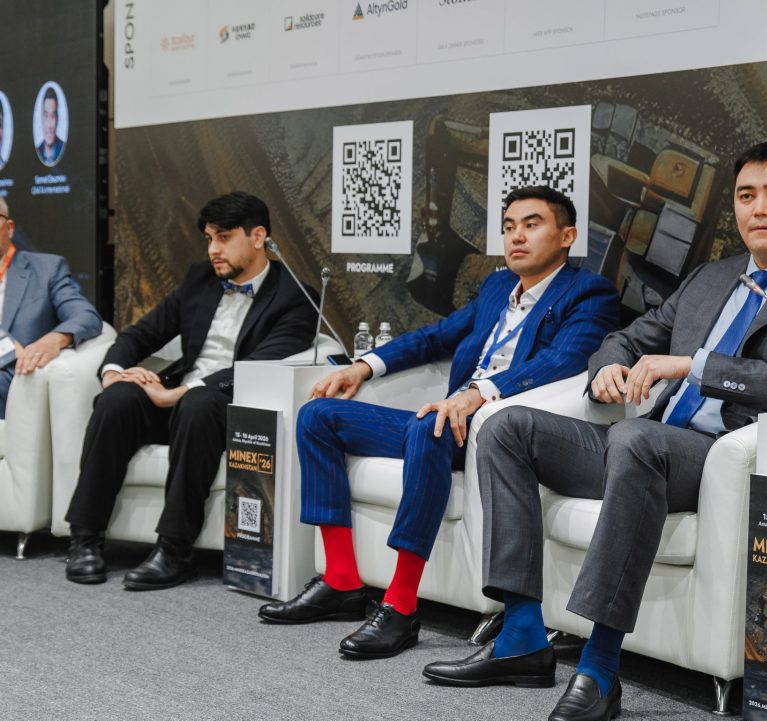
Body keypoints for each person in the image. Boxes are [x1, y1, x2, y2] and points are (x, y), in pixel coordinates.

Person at [422, 139, 767, 721]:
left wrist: (693, 365)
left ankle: (599, 667)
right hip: (647, 445)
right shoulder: (712, 278)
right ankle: (522, 637)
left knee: (635, 440)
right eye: (747, 195)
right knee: (505, 427)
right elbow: (626, 337)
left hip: (720, 455)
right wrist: (607, 369)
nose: (759, 208)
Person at [259, 185, 621, 659]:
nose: (516, 237)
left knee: (427, 425)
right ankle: (341, 579)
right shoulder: (497, 288)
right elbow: (435, 337)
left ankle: (401, 605)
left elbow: (563, 360)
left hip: (500, 426)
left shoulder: (589, 292)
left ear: (567, 236)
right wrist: (363, 366)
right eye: (509, 227)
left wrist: (478, 393)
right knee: (318, 417)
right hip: (449, 418)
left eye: (531, 225)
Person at [64, 191, 318, 590]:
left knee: (199, 403)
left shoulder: (296, 298)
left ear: (257, 237)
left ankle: (175, 549)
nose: (213, 249)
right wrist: (113, 373)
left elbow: (255, 368)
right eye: (209, 239)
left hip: (230, 409)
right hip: (178, 401)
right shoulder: (200, 279)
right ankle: (85, 538)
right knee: (117, 400)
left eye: (224, 238)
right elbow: (141, 334)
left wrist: (180, 393)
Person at [0, 197, 101, 418]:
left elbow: (85, 315)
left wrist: (55, 339)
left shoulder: (46, 269)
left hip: (16, 378)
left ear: (9, 228)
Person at [36, 86, 64, 166]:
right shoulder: (37, 151)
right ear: (41, 118)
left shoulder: (63, 149)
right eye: (46, 116)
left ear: (57, 118)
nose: (49, 125)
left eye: (53, 116)